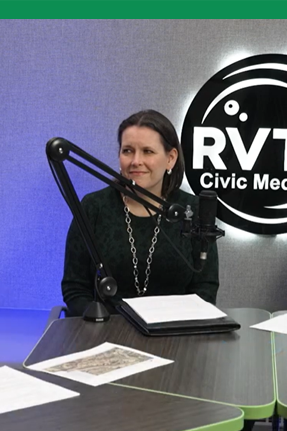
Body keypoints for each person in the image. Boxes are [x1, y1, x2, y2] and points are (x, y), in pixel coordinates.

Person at [61, 109, 220, 317]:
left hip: (176, 333)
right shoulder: (94, 207)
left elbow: (205, 288)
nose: (136, 161)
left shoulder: (193, 210)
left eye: (147, 151)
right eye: (127, 151)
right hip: (109, 332)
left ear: (170, 158)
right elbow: (75, 288)